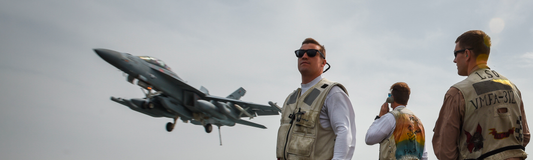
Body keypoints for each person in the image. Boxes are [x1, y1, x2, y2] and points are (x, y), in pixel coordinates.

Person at [433, 30, 530, 160]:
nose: (454, 60)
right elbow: (525, 135)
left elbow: (444, 149)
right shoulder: (512, 87)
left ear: (467, 54)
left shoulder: (458, 93)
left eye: (456, 54)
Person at [276, 38, 356, 160]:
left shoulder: (332, 93)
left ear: (323, 62)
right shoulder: (290, 99)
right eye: (300, 53)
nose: (305, 56)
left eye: (312, 53)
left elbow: (345, 133)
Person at [365, 82, 428, 160]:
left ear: (392, 98)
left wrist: (380, 117)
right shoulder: (419, 122)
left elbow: (369, 139)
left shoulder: (390, 118)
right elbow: (424, 155)